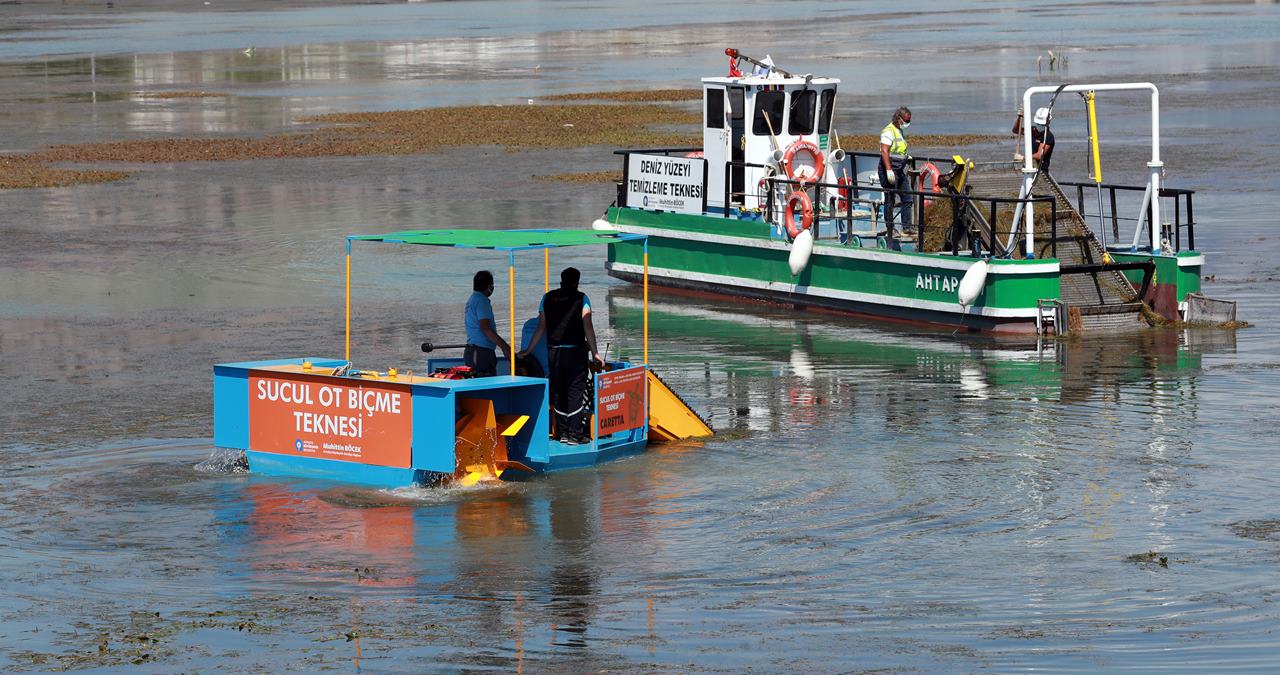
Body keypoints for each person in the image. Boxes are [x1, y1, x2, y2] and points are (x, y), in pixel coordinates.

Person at [518, 267, 605, 444]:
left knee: (558, 390)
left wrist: (527, 350)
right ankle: (575, 434)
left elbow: (541, 327)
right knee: (575, 390)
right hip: (575, 351)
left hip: (554, 351)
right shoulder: (582, 298)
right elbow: (587, 325)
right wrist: (595, 352)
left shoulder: (547, 298)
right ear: (577, 282)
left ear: (561, 281)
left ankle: (562, 433)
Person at [463, 270, 510, 377]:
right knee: (485, 386)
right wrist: (504, 347)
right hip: (481, 353)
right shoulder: (482, 301)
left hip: (472, 350)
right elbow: (485, 328)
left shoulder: (472, 299)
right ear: (490, 286)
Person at [878, 106, 914, 239]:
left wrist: (906, 157)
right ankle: (890, 228)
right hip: (889, 170)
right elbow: (884, 151)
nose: (907, 123)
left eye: (909, 121)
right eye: (906, 120)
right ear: (898, 119)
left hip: (899, 170)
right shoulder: (888, 131)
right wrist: (888, 170)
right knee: (890, 200)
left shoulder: (899, 130)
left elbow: (898, 149)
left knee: (908, 197)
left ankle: (907, 227)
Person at [1030, 106, 1056, 175]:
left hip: (1041, 172)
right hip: (1030, 168)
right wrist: (1019, 117)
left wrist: (1025, 157)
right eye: (1038, 124)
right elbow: (1016, 130)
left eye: (1041, 124)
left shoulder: (1048, 136)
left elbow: (1039, 155)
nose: (1039, 125)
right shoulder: (1033, 131)